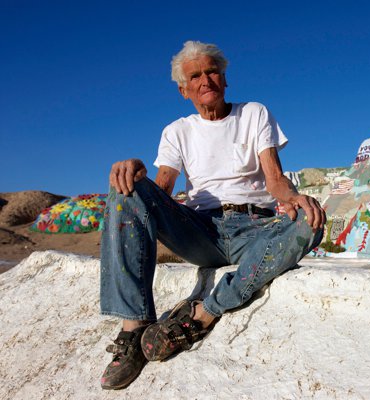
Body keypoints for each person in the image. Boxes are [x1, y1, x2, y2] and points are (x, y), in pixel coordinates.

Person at [99, 41, 325, 390]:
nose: (205, 80)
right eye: (195, 76)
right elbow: (162, 190)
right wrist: (135, 174)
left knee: (309, 221)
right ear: (183, 89)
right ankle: (134, 330)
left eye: (212, 71)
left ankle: (205, 312)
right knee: (124, 188)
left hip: (257, 227)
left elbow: (275, 180)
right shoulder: (177, 131)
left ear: (225, 78)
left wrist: (296, 196)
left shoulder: (254, 113)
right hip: (201, 229)